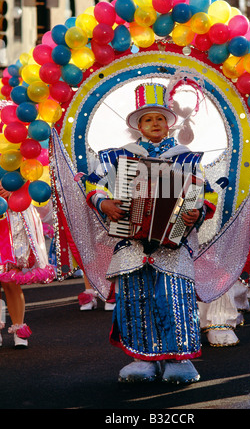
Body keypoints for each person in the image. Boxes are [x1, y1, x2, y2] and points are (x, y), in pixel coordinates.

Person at [86, 83, 216, 383]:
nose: (154, 124)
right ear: (138, 126)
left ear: (169, 123)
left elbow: (208, 195)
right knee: (135, 299)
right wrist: (104, 202)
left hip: (174, 242)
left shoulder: (187, 158)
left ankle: (177, 360)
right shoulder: (116, 157)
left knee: (174, 298)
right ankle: (142, 359)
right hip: (131, 242)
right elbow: (93, 185)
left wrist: (198, 212)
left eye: (159, 118)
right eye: (148, 119)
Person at [0, 182, 56, 348]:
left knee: (11, 279)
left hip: (14, 213)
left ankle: (19, 329)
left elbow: (30, 171)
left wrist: (14, 188)